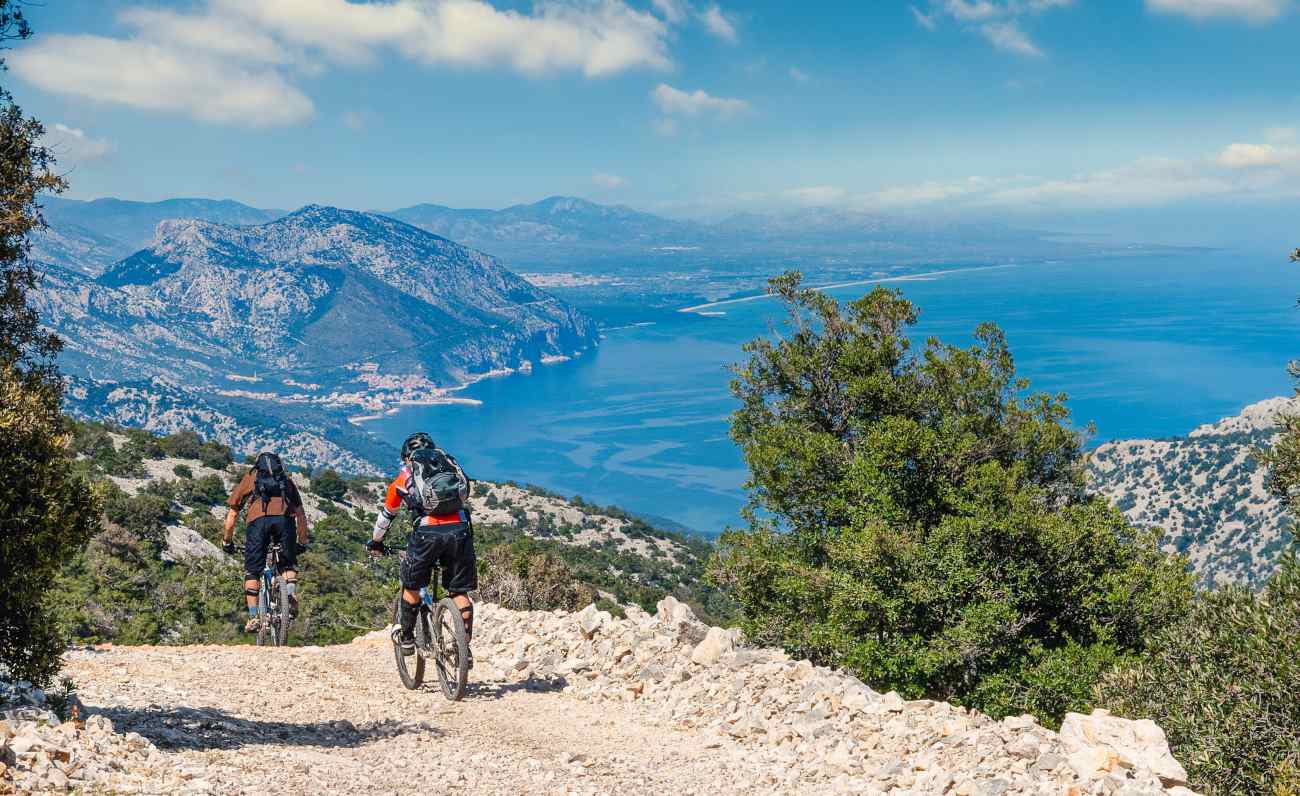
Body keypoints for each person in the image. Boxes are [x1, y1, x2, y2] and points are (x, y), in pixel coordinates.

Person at [366, 432, 476, 663]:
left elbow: (386, 517)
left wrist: (376, 542)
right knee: (459, 592)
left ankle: (406, 639)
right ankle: (463, 650)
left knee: (411, 586)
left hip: (427, 535)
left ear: (407, 458)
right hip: (460, 530)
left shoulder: (403, 478)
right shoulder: (449, 467)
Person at [222, 452, 311, 632]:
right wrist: (302, 541)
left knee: (252, 571)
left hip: (257, 523)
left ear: (258, 466)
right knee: (287, 566)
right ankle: (290, 595)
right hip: (284, 522)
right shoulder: (286, 480)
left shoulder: (251, 478)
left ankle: (254, 617)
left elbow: (232, 515)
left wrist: (227, 541)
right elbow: (301, 516)